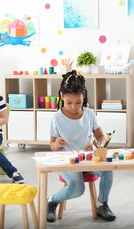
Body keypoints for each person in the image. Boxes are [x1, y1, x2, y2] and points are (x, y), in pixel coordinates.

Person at [47, 70, 116, 223]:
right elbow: (52, 146)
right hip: (66, 160)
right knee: (78, 189)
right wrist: (57, 144)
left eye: (78, 102)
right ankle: (52, 201)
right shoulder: (57, 118)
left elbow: (101, 136)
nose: (74, 107)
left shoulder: (89, 114)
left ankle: (102, 204)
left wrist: (97, 145)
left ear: (83, 98)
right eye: (69, 103)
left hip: (87, 158)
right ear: (62, 97)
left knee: (108, 171)